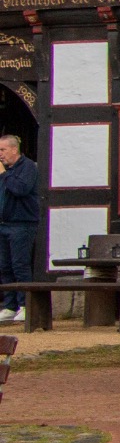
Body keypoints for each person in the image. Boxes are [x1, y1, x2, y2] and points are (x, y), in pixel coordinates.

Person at [0, 135, 40, 323]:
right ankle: (10, 306)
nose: (0, 154)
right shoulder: (5, 172)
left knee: (20, 264)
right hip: (4, 224)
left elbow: (20, 189)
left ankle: (25, 305)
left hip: (22, 223)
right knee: (4, 266)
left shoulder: (28, 167)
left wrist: (3, 174)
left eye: (2, 150)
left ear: (14, 149)